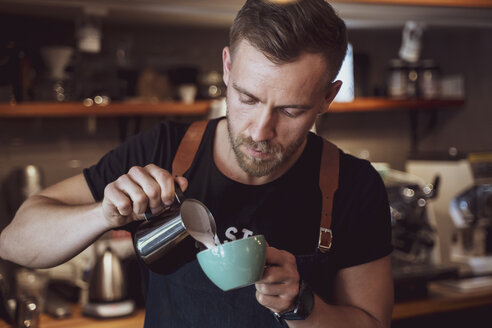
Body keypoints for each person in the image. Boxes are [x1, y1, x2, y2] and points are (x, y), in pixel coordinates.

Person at [0, 0, 394, 327]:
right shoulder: (163, 149)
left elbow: (372, 323)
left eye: (291, 110)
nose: (260, 131)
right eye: (247, 98)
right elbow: (15, 242)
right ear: (226, 67)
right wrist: (103, 213)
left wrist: (301, 305)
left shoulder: (353, 185)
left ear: (327, 98)